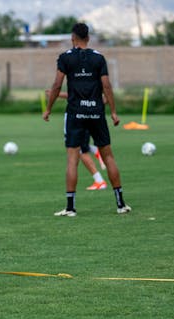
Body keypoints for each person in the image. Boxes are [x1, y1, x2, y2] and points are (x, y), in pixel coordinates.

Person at [43, 23, 131, 216]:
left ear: (73, 38)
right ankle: (120, 204)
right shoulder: (98, 58)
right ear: (88, 38)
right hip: (97, 113)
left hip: (76, 114)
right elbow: (106, 86)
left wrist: (48, 109)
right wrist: (114, 112)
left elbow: (57, 84)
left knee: (72, 160)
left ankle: (70, 207)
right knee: (108, 156)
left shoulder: (65, 57)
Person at [46, 90, 107, 190]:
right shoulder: (94, 80)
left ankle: (99, 181)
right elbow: (106, 97)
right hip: (89, 115)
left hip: (78, 117)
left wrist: (55, 94)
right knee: (80, 147)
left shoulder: (79, 78)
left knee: (79, 150)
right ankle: (96, 151)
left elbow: (73, 94)